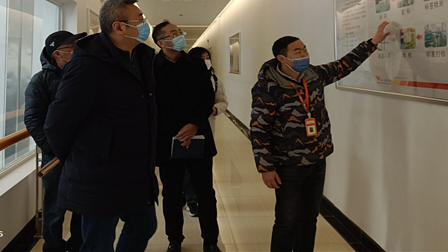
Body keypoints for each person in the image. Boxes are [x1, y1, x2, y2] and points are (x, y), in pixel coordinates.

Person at [250, 22, 390, 252]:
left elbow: (344, 65)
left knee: (310, 217)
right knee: (287, 220)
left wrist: (372, 43)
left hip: (317, 160)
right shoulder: (268, 87)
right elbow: (259, 128)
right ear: (282, 58)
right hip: (288, 164)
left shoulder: (314, 75)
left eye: (304, 49)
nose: (304, 54)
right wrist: (266, 167)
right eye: (298, 51)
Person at [44, 0, 159, 252]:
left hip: (135, 169)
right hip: (98, 173)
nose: (144, 24)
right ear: (119, 27)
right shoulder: (88, 65)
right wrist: (81, 158)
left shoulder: (141, 58)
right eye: (139, 19)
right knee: (98, 242)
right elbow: (57, 123)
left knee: (144, 225)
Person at [152, 21, 221, 252]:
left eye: (179, 32)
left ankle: (210, 241)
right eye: (173, 34)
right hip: (167, 140)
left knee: (205, 192)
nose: (179, 36)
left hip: (198, 136)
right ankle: (174, 240)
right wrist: (177, 131)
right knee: (171, 193)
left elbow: (207, 97)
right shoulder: (151, 67)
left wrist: (193, 125)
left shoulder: (196, 64)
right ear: (161, 42)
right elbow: (152, 105)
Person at [24, 30, 86, 252]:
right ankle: (53, 247)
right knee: (54, 207)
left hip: (83, 153)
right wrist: (53, 148)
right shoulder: (40, 81)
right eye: (72, 47)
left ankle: (78, 245)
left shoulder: (83, 75)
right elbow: (33, 119)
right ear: (57, 53)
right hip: (55, 157)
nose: (77, 50)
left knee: (82, 204)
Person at [184, 47, 229, 217]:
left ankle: (196, 199)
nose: (206, 60)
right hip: (186, 129)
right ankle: (189, 199)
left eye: (207, 57)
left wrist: (215, 109)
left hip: (206, 129)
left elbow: (222, 101)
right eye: (202, 58)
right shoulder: (185, 77)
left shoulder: (215, 79)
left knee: (202, 168)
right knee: (186, 168)